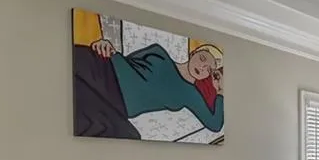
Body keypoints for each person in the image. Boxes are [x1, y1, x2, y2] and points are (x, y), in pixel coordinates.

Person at [74, 38, 224, 139]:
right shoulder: (159, 52)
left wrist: (220, 90)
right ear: (194, 53)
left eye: (209, 70)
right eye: (203, 59)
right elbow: (126, 60)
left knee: (128, 138)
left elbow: (215, 124)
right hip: (104, 70)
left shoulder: (190, 94)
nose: (202, 67)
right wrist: (107, 46)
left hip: (116, 106)